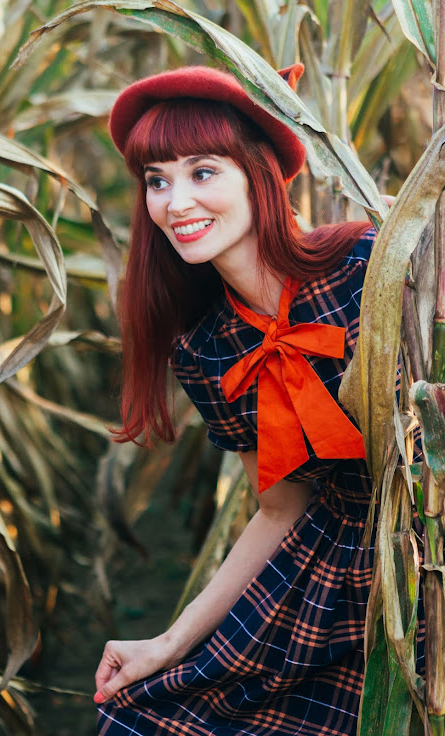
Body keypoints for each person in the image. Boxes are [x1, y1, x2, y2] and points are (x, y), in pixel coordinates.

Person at [94, 64, 424, 736]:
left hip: (425, 559)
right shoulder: (207, 349)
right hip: (327, 578)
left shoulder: (370, 267)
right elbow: (278, 508)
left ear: (259, 175)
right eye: (157, 180)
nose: (175, 202)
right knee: (138, 723)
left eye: (202, 171)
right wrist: (168, 641)